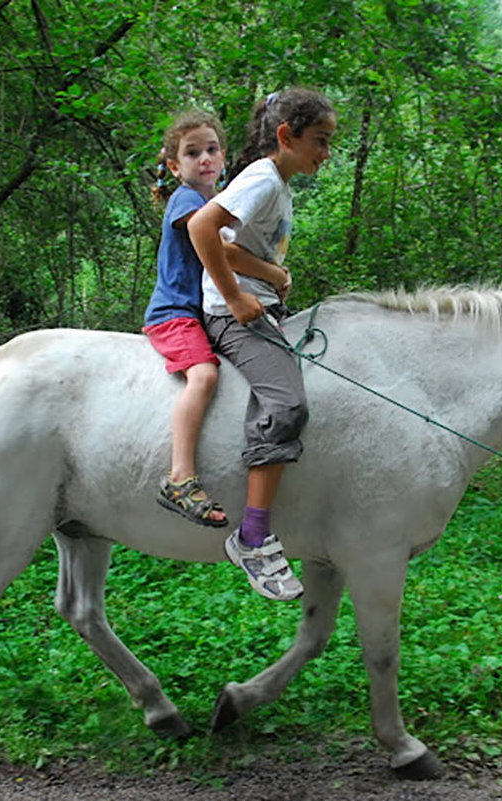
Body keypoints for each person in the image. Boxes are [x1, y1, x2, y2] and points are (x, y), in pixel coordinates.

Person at [187, 89, 337, 602]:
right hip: (231, 314)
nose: (326, 152)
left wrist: (271, 274)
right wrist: (234, 296)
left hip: (261, 303)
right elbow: (200, 227)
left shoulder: (281, 185)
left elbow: (232, 247)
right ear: (285, 136)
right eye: (319, 141)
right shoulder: (263, 179)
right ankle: (252, 537)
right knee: (286, 402)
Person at [145, 110, 287, 531]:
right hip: (176, 314)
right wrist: (272, 274)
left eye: (211, 150)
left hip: (206, 313)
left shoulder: (218, 201)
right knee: (204, 376)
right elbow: (224, 253)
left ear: (223, 156)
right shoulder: (188, 201)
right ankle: (180, 477)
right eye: (192, 153)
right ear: (175, 166)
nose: (204, 159)